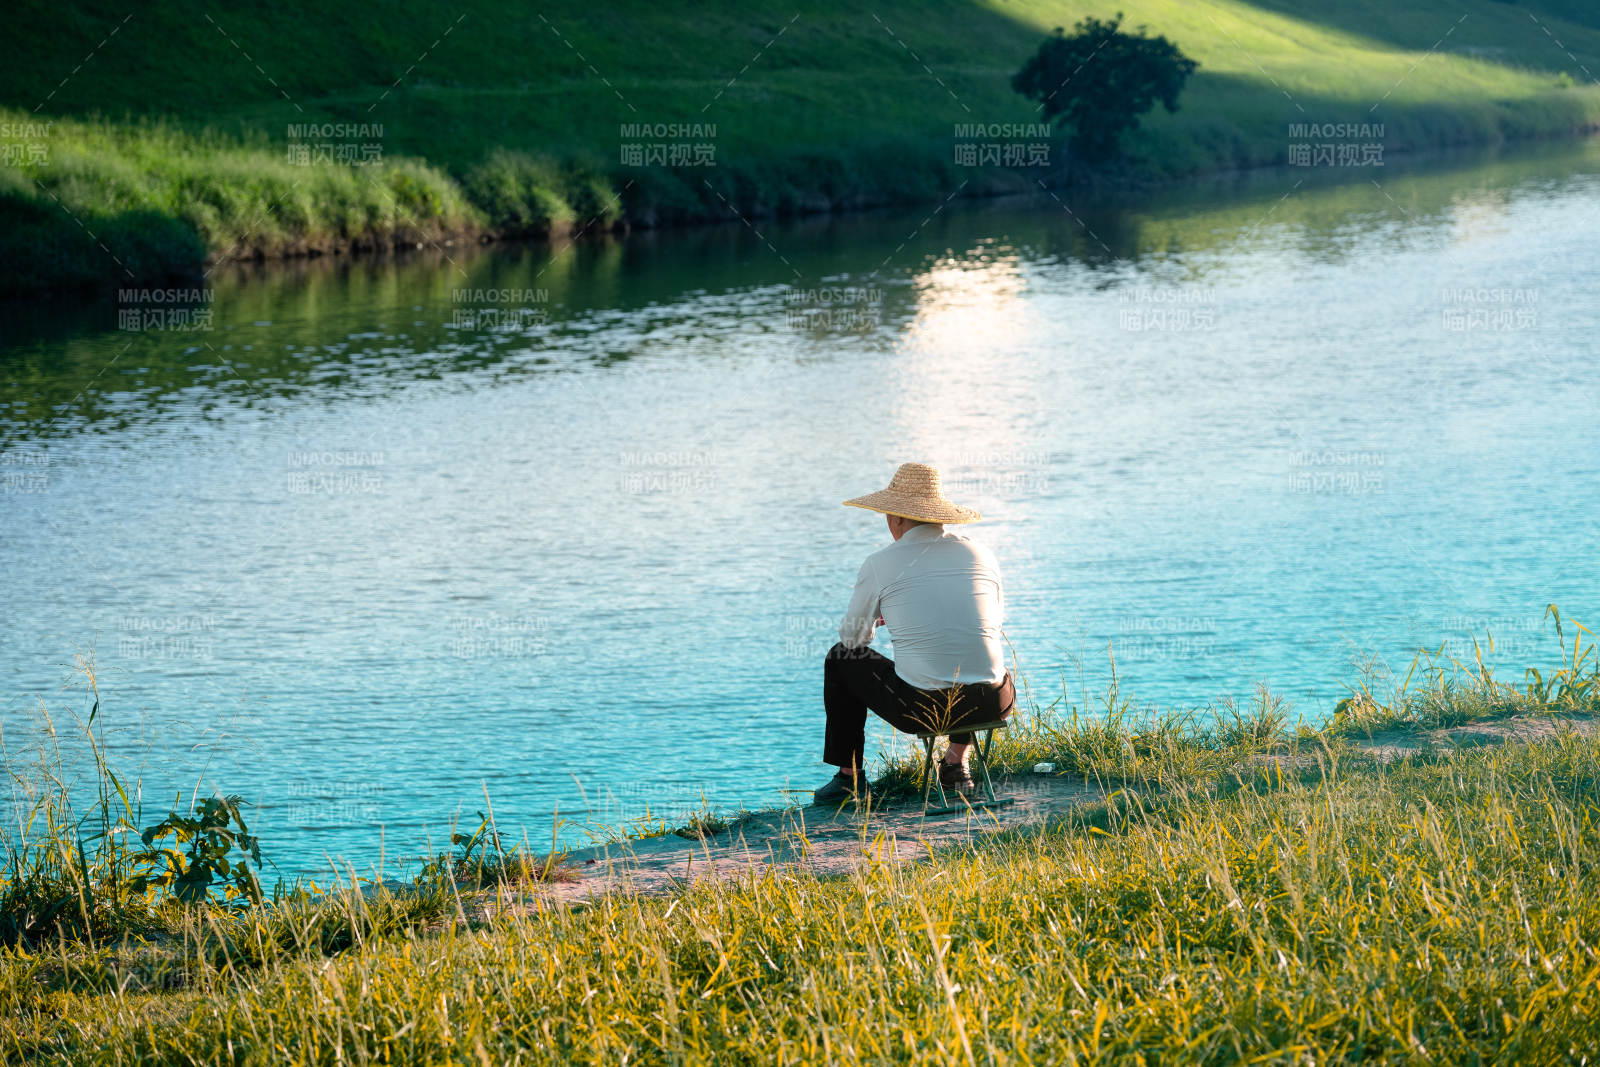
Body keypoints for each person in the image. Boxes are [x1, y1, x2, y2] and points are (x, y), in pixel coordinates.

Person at [814, 462, 1014, 803]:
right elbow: (991, 621)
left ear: (896, 518)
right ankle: (956, 762)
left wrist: (880, 622)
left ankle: (849, 779)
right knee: (969, 656)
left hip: (925, 709)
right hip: (994, 702)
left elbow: (852, 641)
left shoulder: (881, 563)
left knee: (840, 658)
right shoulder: (980, 553)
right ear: (940, 516)